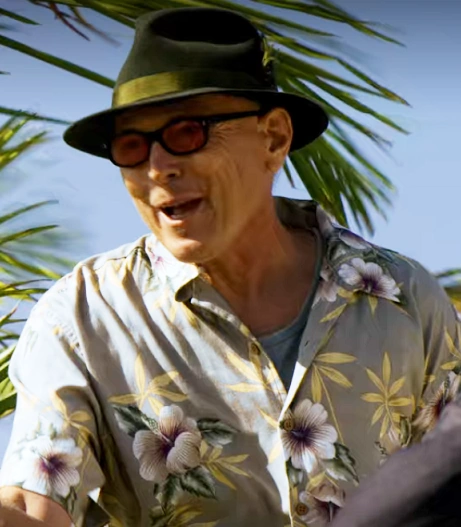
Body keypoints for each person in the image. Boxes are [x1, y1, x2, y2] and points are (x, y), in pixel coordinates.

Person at [0, 7, 459, 527]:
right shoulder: (83, 317)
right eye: (132, 146)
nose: (157, 167)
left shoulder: (405, 298)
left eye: (187, 132)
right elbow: (35, 509)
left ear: (274, 138)